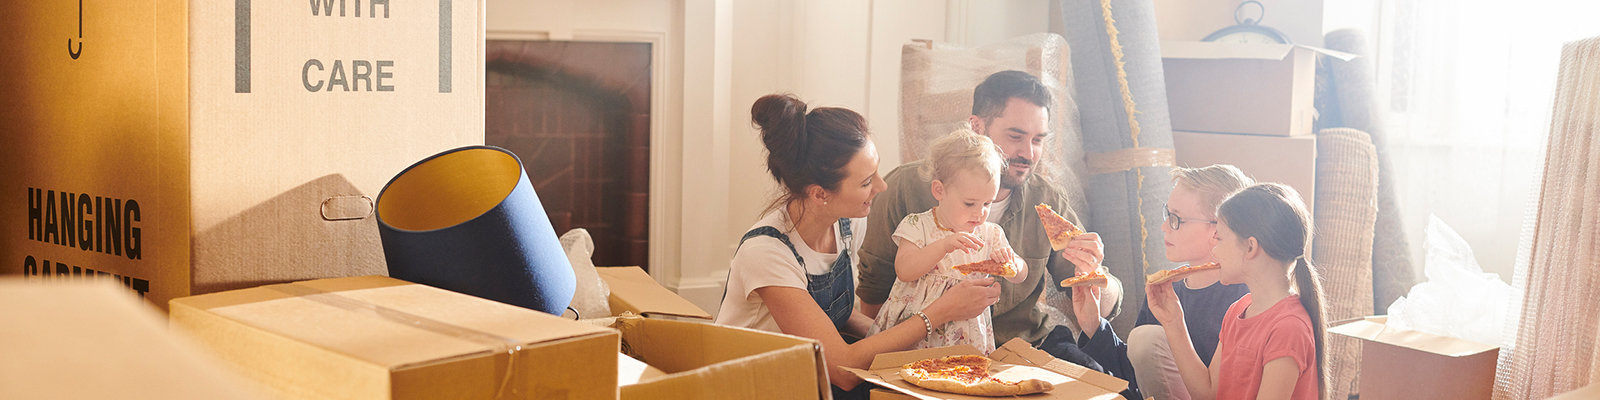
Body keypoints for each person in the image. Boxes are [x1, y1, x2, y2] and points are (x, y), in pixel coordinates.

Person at [858, 70, 1139, 398]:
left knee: (1114, 394)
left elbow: (1103, 300)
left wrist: (1095, 276)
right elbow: (874, 296)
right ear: (976, 127)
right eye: (1016, 136)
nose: (1028, 154)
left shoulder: (1047, 201)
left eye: (1038, 140)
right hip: (928, 351)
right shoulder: (905, 189)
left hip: (1030, 346)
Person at [716, 94, 1002, 400]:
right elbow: (843, 370)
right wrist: (938, 314)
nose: (882, 186)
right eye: (867, 181)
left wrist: (904, 329)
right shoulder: (767, 253)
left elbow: (833, 316)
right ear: (819, 194)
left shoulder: (846, 224)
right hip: (754, 387)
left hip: (810, 372)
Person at [1145, 183, 1329, 400]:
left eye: (1220, 239)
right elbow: (1207, 393)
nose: (1215, 250)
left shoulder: (1288, 328)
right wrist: (1173, 322)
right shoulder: (1237, 310)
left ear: (1250, 247)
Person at [867, 130, 1027, 355]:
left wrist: (1012, 263)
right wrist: (943, 245)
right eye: (970, 203)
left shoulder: (991, 234)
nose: (980, 213)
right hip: (915, 335)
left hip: (965, 337)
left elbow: (1021, 274)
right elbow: (904, 270)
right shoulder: (917, 225)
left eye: (987, 203)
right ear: (939, 190)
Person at [1130, 165, 1255, 400]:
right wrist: (1095, 325)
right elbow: (1137, 373)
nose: (1164, 226)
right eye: (1167, 214)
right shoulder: (1167, 287)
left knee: (1146, 339)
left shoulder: (1246, 299)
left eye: (1176, 218)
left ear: (1217, 231)